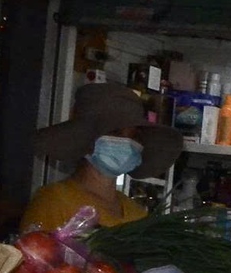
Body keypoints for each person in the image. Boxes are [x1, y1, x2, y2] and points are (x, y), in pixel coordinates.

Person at [20, 84, 183, 234]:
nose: (128, 143)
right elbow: (35, 258)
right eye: (115, 132)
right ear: (85, 139)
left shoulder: (136, 214)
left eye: (135, 136)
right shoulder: (54, 201)